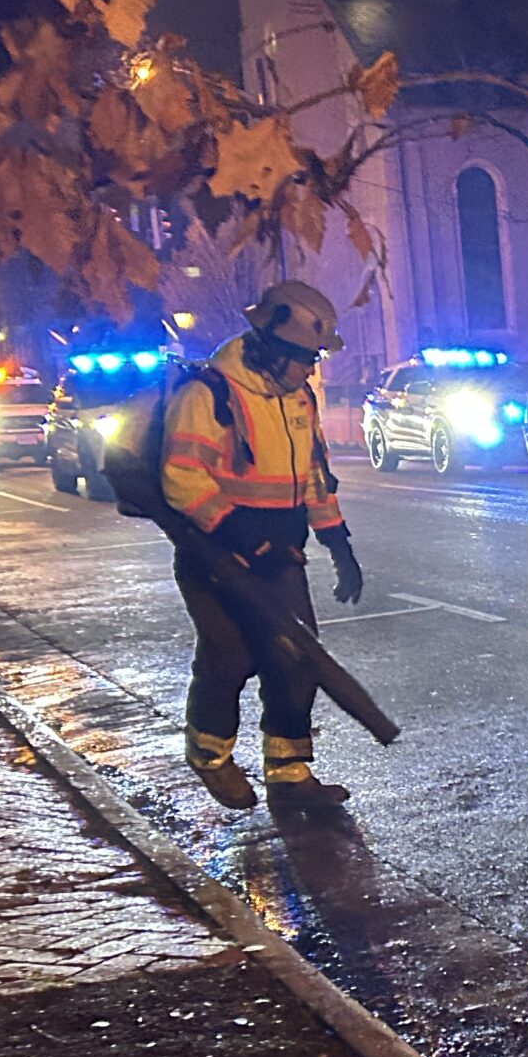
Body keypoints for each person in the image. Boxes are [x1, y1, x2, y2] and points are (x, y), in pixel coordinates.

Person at [161, 279, 365, 819]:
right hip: (216, 554)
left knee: (296, 657)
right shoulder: (209, 395)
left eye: (314, 358)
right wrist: (245, 539)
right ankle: (209, 753)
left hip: (280, 555)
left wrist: (337, 543)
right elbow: (182, 478)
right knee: (230, 652)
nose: (310, 369)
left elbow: (314, 478)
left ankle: (290, 773)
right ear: (271, 347)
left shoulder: (297, 398)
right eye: (303, 357)